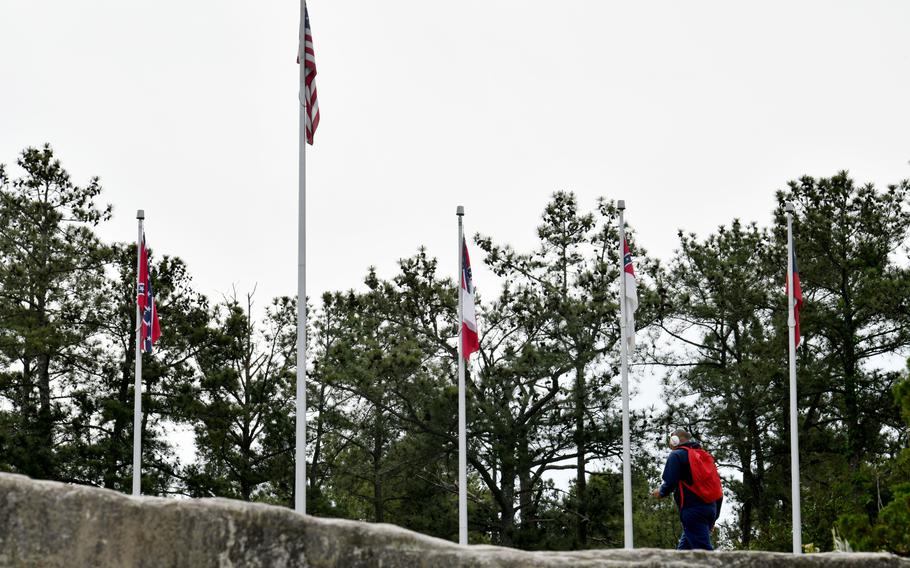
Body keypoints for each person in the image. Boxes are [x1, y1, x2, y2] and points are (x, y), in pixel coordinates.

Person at [650, 429, 723, 550]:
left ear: (675, 440)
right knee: (682, 555)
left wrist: (661, 492)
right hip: (711, 508)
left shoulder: (677, 455)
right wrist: (714, 517)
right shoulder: (703, 456)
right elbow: (717, 489)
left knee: (704, 554)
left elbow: (671, 482)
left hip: (693, 511)